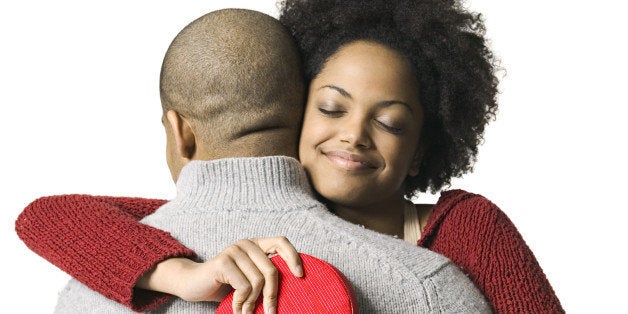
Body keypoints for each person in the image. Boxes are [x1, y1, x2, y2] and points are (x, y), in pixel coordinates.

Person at [16, 0, 564, 313]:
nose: (353, 136)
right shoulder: (264, 218)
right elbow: (52, 215)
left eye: (390, 122)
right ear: (293, 112)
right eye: (330, 109)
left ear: (422, 150)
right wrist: (177, 272)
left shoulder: (463, 232)